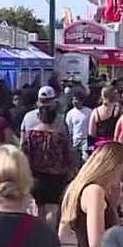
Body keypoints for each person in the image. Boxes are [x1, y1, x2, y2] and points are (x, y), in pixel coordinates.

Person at [20, 86, 75, 229]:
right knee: (52, 210)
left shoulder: (31, 135)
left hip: (36, 175)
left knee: (38, 209)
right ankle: (49, 237)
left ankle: (37, 236)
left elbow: (23, 150)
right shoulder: (60, 135)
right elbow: (68, 154)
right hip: (56, 177)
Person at [65, 86, 93, 160]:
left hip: (86, 140)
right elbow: (69, 129)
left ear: (81, 100)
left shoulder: (89, 112)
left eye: (76, 99)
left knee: (85, 160)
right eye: (73, 99)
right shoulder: (70, 113)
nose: (74, 101)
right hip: (75, 140)